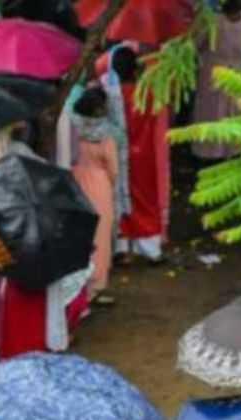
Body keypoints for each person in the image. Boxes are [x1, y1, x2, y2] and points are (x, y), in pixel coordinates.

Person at [113, 45, 169, 264]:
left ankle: (122, 248)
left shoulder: (110, 95)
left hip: (118, 153)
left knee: (121, 199)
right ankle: (150, 249)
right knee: (145, 198)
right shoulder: (146, 93)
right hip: (144, 152)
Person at [69, 86, 123, 302]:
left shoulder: (74, 131)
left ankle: (79, 291)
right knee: (100, 238)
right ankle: (95, 288)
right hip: (99, 184)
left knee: (80, 237)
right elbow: (114, 170)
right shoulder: (106, 137)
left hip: (76, 181)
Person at [191, 0, 241, 160]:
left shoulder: (211, 22)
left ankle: (209, 155)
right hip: (237, 78)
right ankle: (232, 152)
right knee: (231, 116)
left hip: (213, 78)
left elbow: (195, 44)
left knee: (212, 117)